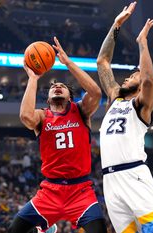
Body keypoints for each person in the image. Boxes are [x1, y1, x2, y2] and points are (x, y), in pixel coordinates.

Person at [8, 36, 106, 233]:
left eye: (61, 86)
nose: (57, 86)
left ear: (70, 96)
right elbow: (25, 116)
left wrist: (68, 62)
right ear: (48, 97)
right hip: (50, 191)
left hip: (80, 190)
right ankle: (44, 229)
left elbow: (95, 92)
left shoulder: (80, 111)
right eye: (53, 87)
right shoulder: (42, 116)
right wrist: (33, 78)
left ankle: (43, 228)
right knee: (13, 231)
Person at [97, 2, 153, 233]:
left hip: (134, 176)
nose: (129, 77)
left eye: (133, 75)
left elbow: (148, 80)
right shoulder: (115, 97)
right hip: (109, 180)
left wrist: (142, 43)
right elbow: (102, 62)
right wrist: (116, 25)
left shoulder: (142, 107)